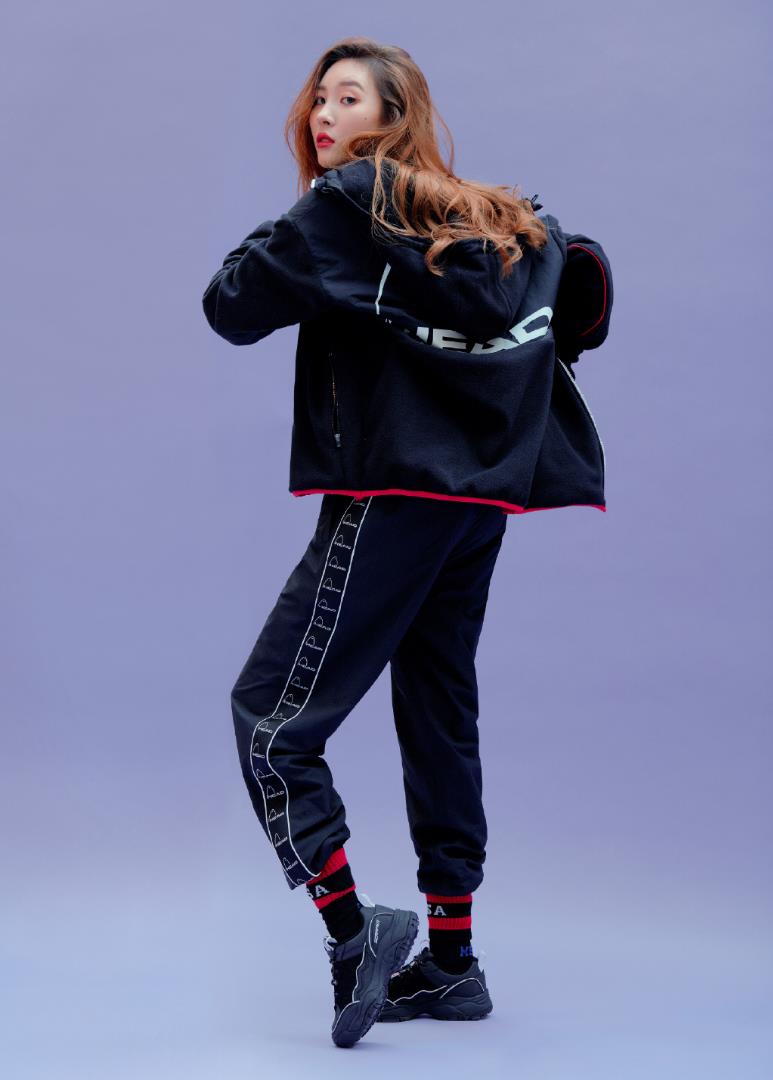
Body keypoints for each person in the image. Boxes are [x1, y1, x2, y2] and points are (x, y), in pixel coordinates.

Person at [201, 36, 613, 1048]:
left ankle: (355, 933)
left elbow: (230, 304)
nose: (321, 115)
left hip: (392, 491)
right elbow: (580, 303)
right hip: (476, 503)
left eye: (346, 98)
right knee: (437, 710)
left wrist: (310, 207)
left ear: (394, 117)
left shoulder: (349, 204)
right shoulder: (502, 217)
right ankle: (454, 962)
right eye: (317, 99)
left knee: (270, 720)